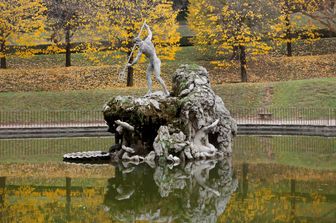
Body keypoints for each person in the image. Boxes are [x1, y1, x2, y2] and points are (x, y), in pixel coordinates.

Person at [128, 23, 169, 96]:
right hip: (151, 62)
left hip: (156, 61)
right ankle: (150, 91)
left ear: (137, 43)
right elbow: (150, 33)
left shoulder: (141, 48)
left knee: (158, 77)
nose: (136, 46)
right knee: (148, 75)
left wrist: (131, 64)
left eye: (136, 45)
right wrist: (147, 27)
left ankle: (166, 92)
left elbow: (137, 59)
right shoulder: (147, 40)